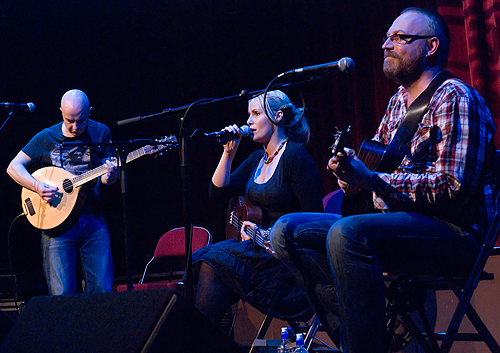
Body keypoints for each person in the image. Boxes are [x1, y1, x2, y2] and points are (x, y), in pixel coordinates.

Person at [271, 7, 496, 353]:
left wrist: (373, 180)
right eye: (386, 38)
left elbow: (453, 187)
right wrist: (351, 176)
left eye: (399, 38)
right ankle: (363, 337)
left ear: (431, 46)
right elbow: (378, 170)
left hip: (453, 233)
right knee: (285, 231)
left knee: (346, 233)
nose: (386, 46)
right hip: (395, 223)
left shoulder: (455, 97)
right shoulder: (395, 104)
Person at [191, 90, 324, 327]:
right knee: (203, 259)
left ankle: (202, 342)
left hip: (286, 262)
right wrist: (228, 153)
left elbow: (314, 222)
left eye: (255, 114)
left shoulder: (296, 157)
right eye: (248, 115)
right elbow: (217, 192)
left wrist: (268, 234)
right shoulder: (256, 160)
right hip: (257, 254)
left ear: (278, 117)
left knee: (212, 261)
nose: (249, 122)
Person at [7, 89, 118, 296]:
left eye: (81, 121)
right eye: (69, 121)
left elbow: (106, 176)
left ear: (90, 113)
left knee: (102, 290)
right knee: (62, 294)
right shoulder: (47, 137)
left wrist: (110, 176)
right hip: (56, 225)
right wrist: (37, 186)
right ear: (60, 112)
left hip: (93, 220)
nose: (75, 127)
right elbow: (13, 167)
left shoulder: (100, 132)